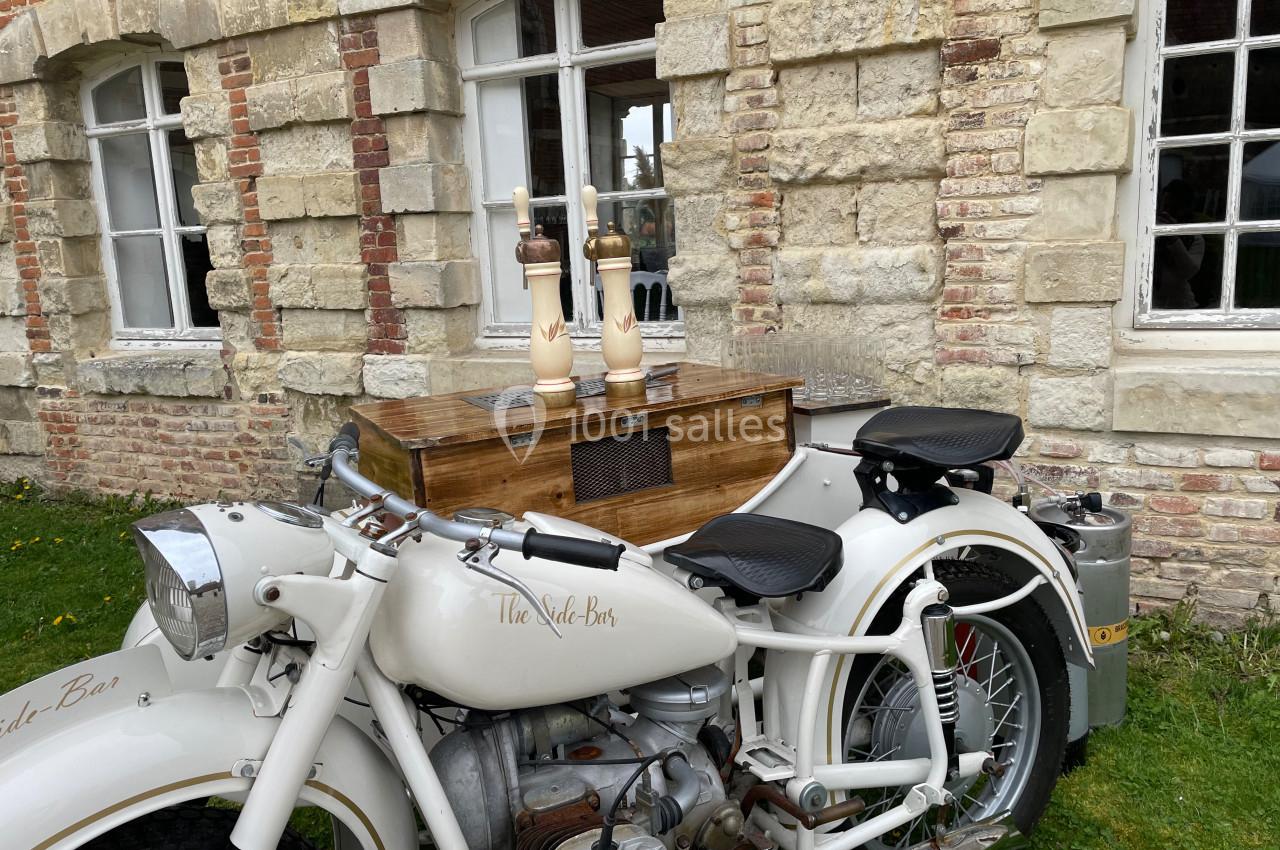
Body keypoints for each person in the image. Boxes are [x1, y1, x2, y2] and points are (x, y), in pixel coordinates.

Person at [1153, 179, 1207, 309]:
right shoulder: (1151, 232)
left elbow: (1189, 271)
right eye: (1164, 207)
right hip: (1150, 302)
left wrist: (1174, 238)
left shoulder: (1194, 238)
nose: (1166, 212)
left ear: (1185, 209)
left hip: (1180, 304)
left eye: (1173, 208)